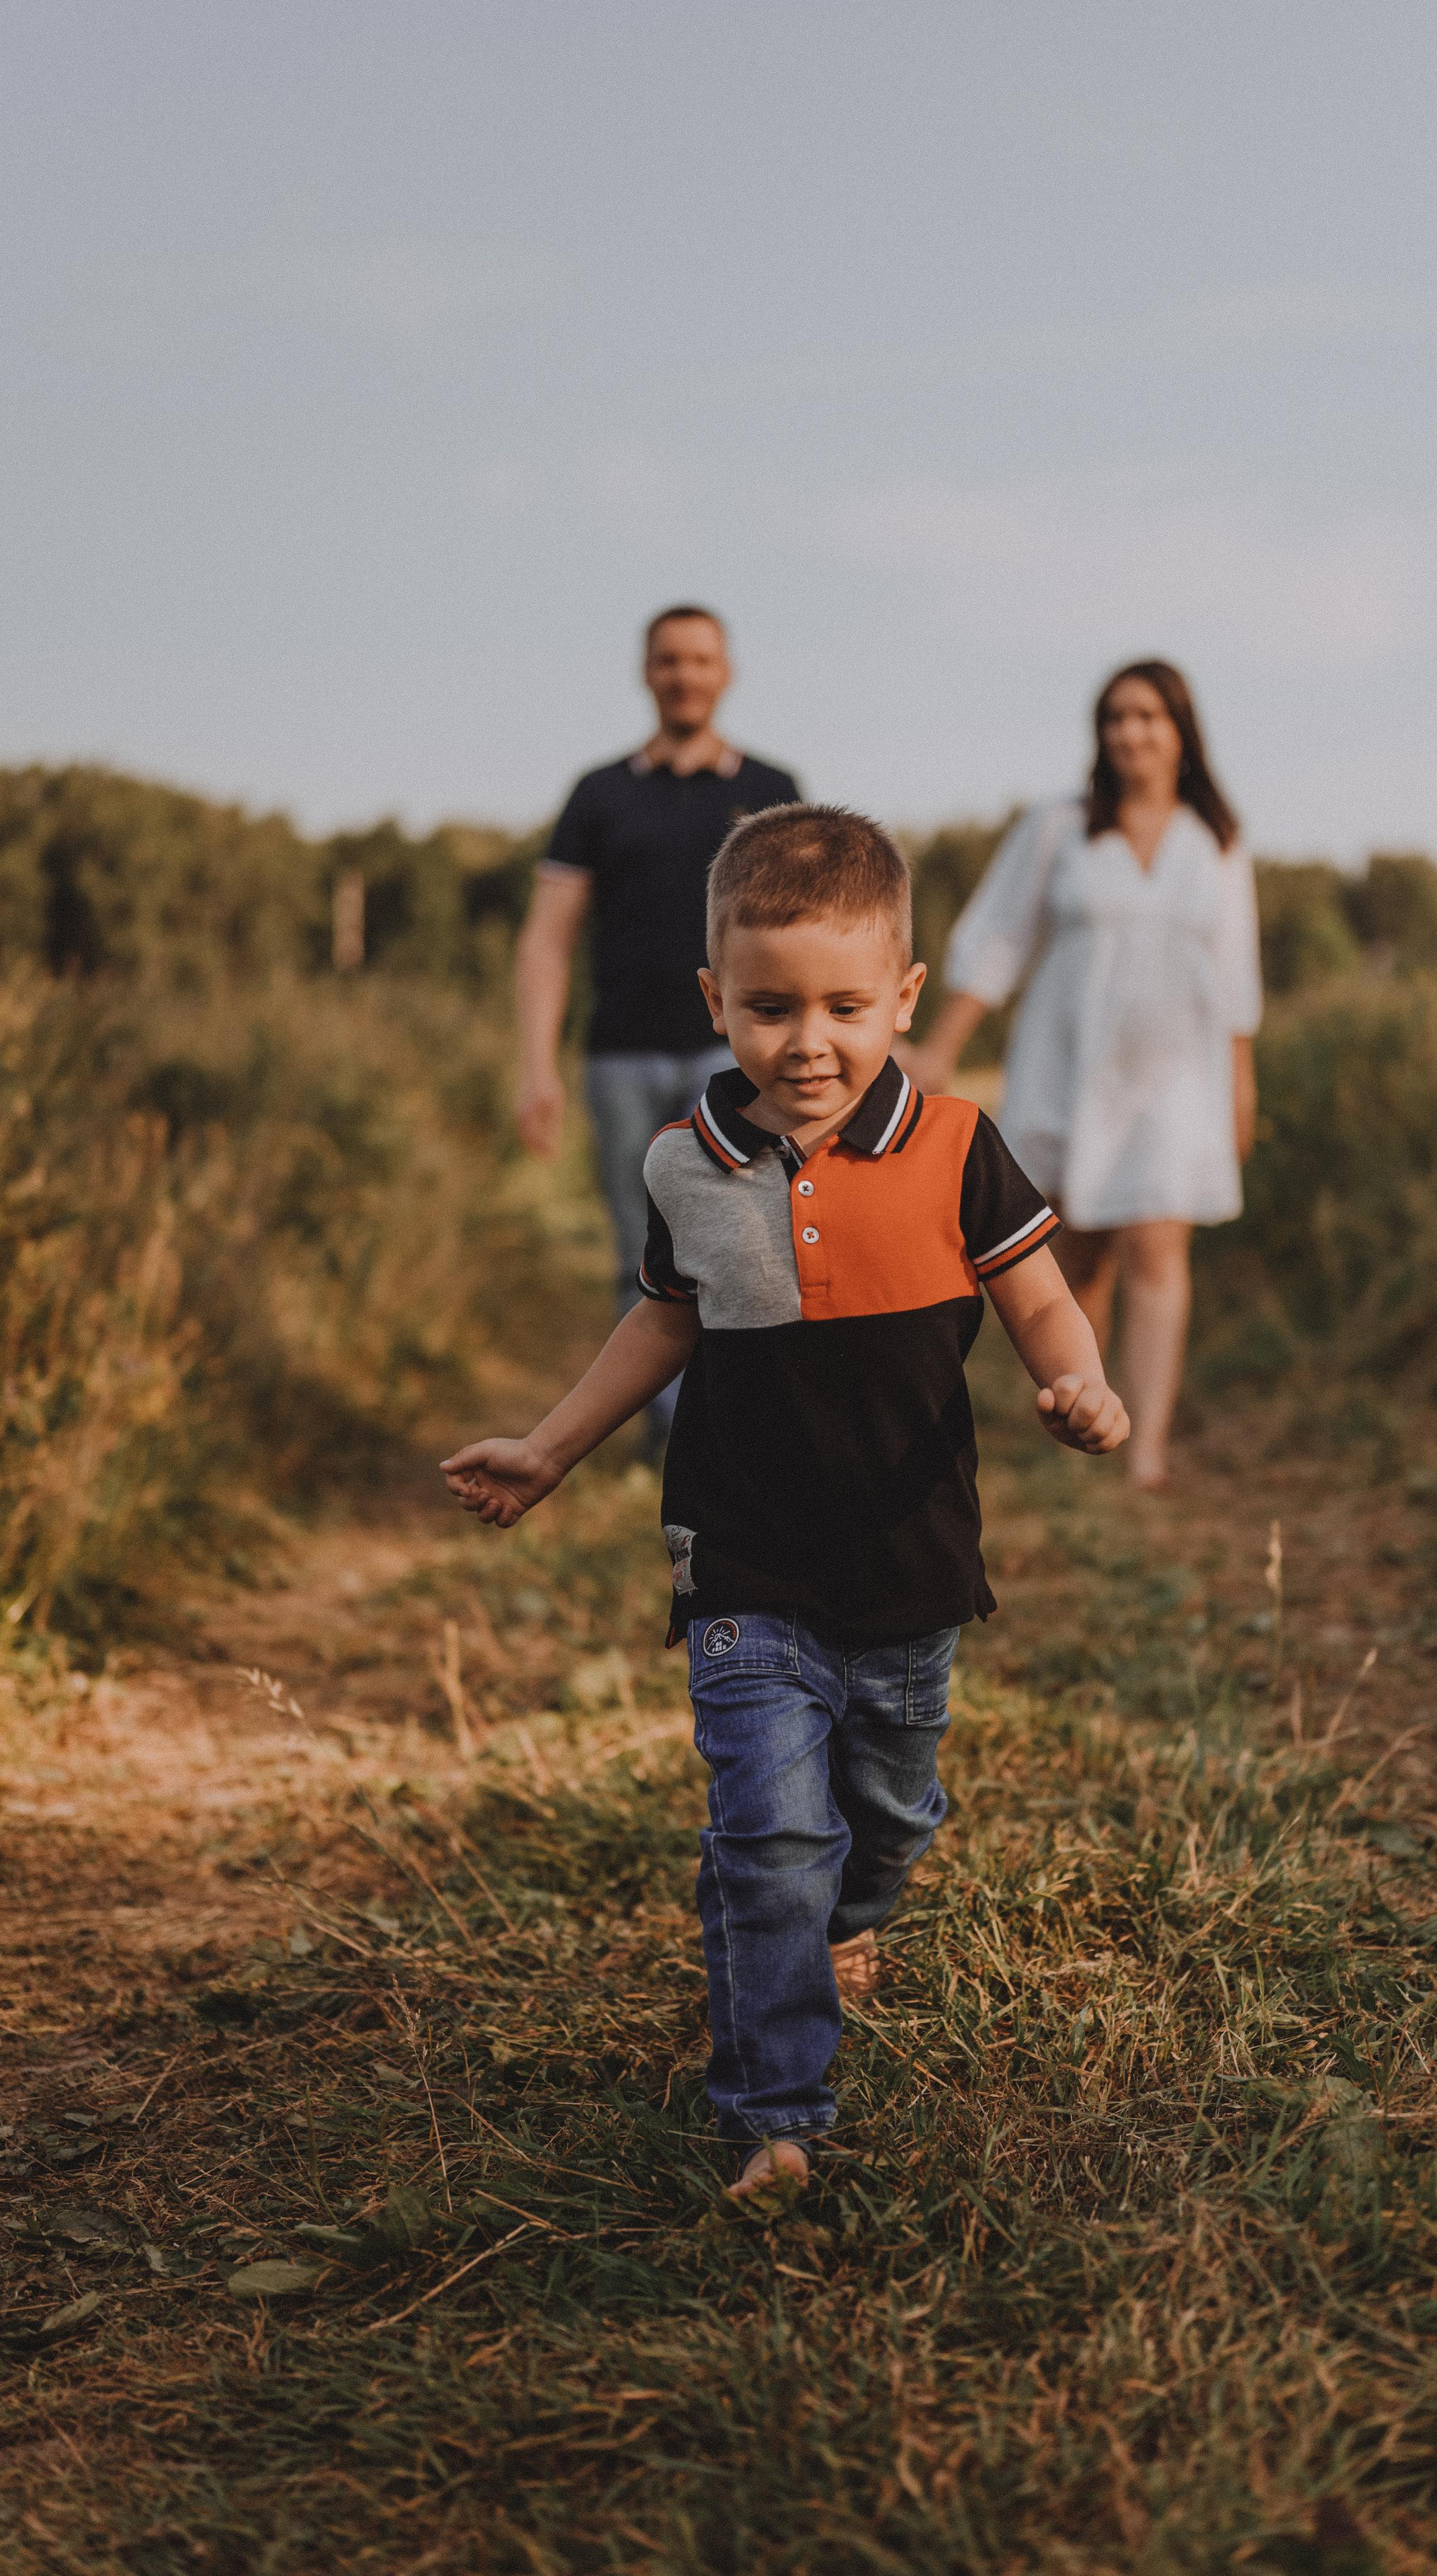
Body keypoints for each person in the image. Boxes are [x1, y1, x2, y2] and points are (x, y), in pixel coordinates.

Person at [442, 804, 1129, 2205]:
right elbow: (659, 1323)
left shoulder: (952, 1144)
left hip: (908, 1558)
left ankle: (847, 1918)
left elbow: (1040, 1297)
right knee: (766, 1835)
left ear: (904, 1000)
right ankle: (775, 2116)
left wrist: (1079, 1386)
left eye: (841, 1007)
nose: (804, 1041)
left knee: (886, 1810)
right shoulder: (685, 1160)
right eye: (765, 1008)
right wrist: (555, 1446)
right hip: (741, 1554)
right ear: (715, 1001)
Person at [901, 660, 1261, 1492]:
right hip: (1072, 1073)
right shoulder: (1059, 827)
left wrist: (1241, 1083)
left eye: (1148, 716)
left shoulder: (1217, 843)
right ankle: (1081, 1415)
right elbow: (997, 940)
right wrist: (943, 1045)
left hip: (1177, 1077)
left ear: (1180, 730)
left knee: (1159, 1248)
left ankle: (1148, 1452)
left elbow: (1235, 973)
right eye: (1115, 717)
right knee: (1078, 1261)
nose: (1131, 732)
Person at [514, 605, 799, 1450]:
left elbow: (812, 932)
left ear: (727, 672)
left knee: (745, 1246)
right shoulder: (599, 795)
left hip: (736, 1051)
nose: (685, 674)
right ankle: (669, 1440)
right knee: (641, 1255)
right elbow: (546, 938)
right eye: (670, 660)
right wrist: (536, 1065)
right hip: (620, 1056)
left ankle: (740, 1431)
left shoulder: (772, 791)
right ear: (648, 672)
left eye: (702, 660)